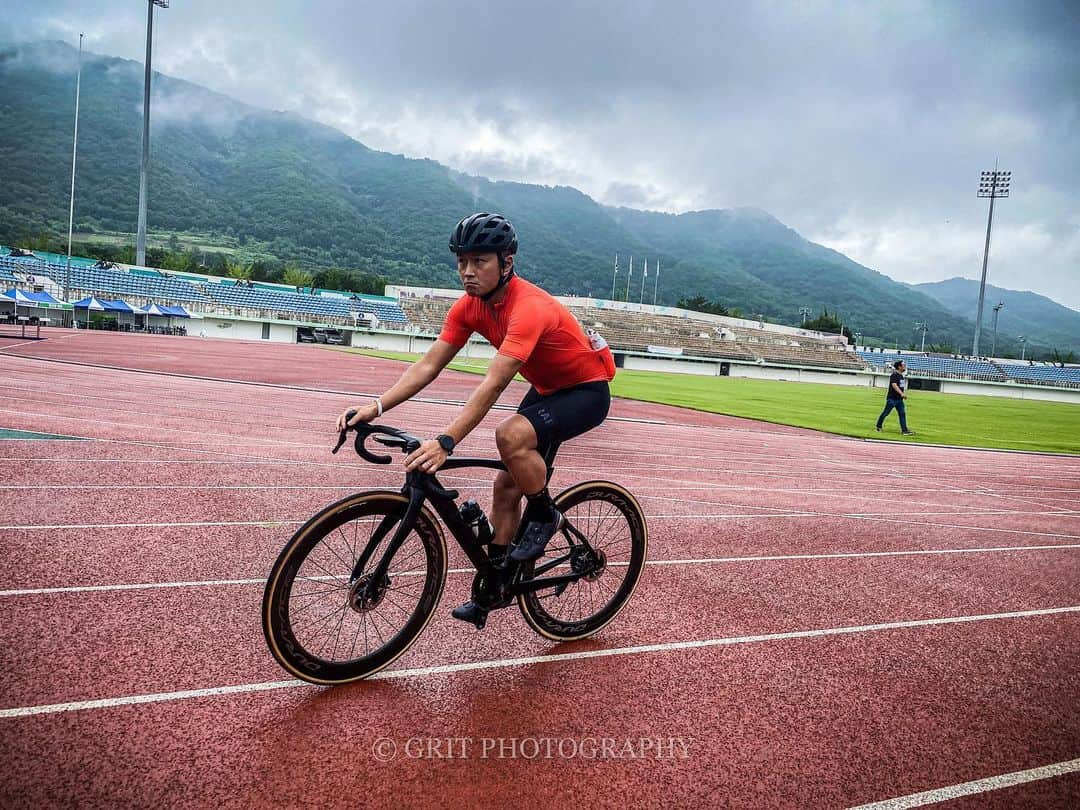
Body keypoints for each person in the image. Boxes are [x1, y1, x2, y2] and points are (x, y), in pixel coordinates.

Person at [336, 212, 617, 625]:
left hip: (585, 392)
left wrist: (446, 441)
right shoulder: (469, 308)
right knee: (505, 484)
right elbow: (429, 365)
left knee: (510, 435)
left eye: (479, 261)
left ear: (507, 262)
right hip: (547, 389)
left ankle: (544, 513)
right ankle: (497, 583)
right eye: (461, 262)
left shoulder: (530, 307)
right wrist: (375, 407)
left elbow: (494, 382)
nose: (467, 272)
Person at [876, 359, 915, 435]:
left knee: (902, 414)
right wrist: (902, 394)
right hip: (892, 399)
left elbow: (901, 386)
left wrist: (902, 394)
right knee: (886, 413)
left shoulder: (901, 376)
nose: (905, 366)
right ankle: (878, 426)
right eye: (903, 365)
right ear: (899, 367)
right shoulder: (894, 375)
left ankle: (904, 430)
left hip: (899, 400)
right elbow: (894, 385)